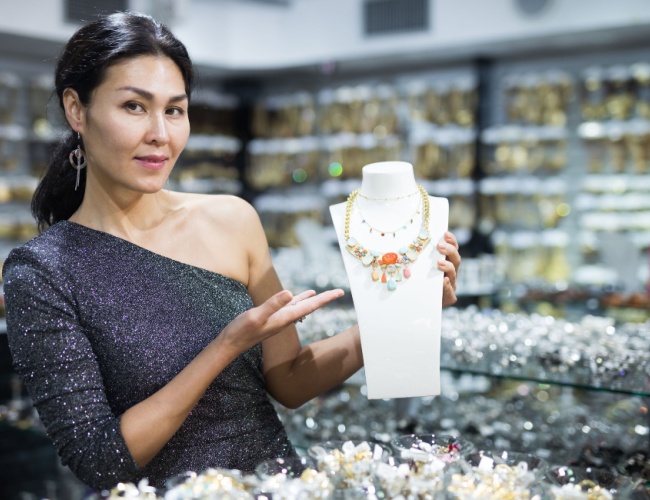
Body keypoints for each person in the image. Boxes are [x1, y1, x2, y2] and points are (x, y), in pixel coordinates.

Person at [2, 12, 461, 491]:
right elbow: (100, 461)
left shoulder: (231, 220)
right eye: (135, 107)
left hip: (278, 485)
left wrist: (405, 312)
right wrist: (225, 347)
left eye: (175, 110)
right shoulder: (42, 271)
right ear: (77, 110)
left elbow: (290, 379)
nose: (161, 133)